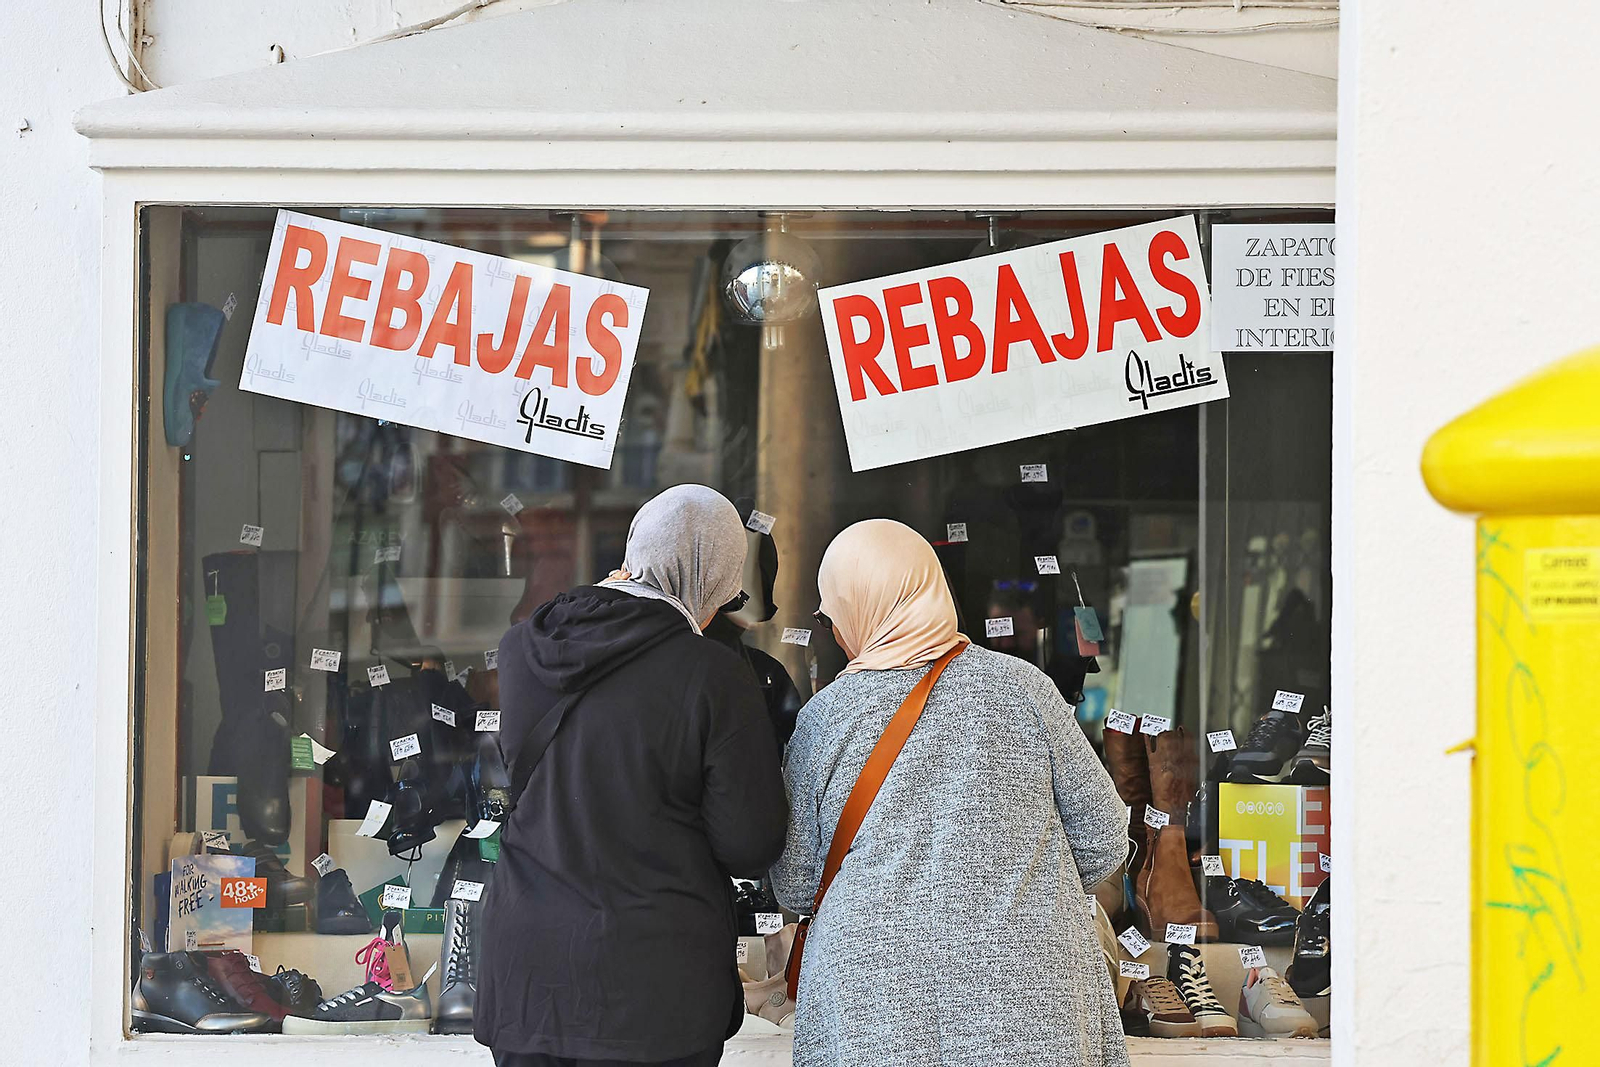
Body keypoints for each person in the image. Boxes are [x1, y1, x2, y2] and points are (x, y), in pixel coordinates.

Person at [771, 519, 1131, 1067]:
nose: (837, 632)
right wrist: (1013, 891)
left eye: (832, 615)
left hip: (873, 1009)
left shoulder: (825, 718)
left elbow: (797, 884)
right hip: (1028, 1003)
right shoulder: (1024, 689)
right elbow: (1104, 840)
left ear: (861, 608)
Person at [477, 484, 789, 1067]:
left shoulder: (524, 649)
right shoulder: (714, 674)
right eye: (726, 591)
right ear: (706, 576)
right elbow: (750, 842)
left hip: (528, 978)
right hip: (653, 989)